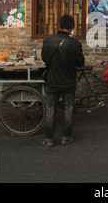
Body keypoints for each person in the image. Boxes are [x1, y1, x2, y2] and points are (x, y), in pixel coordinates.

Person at [41, 15, 85, 147]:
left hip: (52, 82)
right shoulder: (75, 44)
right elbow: (81, 62)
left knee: (50, 110)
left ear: (59, 26)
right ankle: (65, 138)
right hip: (69, 82)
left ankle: (49, 139)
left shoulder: (48, 41)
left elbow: (44, 59)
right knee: (68, 109)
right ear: (72, 28)